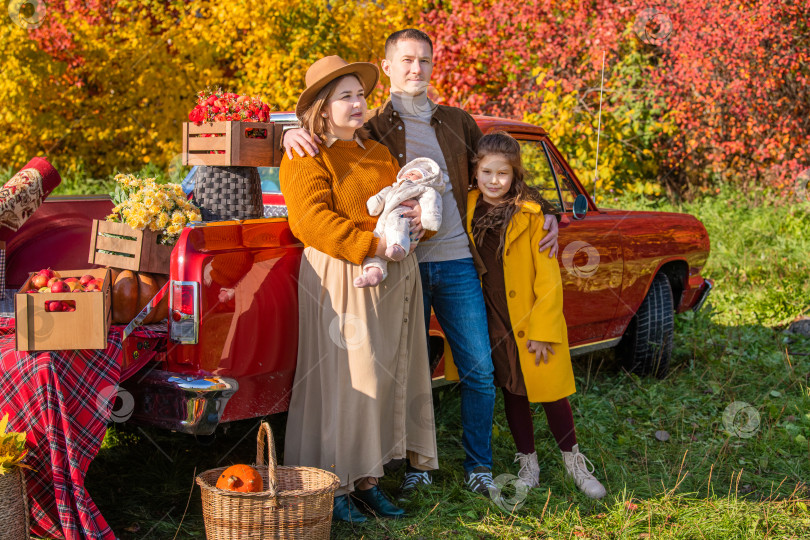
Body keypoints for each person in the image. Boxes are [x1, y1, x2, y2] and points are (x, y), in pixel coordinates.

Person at [283, 29, 559, 495]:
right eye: (407, 60)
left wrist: (543, 210)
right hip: (390, 267)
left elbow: (501, 171)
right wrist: (290, 132)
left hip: (451, 261)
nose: (417, 69)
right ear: (387, 67)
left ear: (433, 66)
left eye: (425, 61)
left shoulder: (456, 122)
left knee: (477, 368)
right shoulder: (372, 126)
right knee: (404, 369)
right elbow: (324, 139)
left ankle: (477, 466)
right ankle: (412, 466)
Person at [279, 55, 438, 523]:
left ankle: (368, 480)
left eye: (361, 95)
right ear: (323, 107)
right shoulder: (306, 153)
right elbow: (310, 220)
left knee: (384, 377)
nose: (357, 103)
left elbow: (404, 204)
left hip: (391, 272)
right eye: (345, 96)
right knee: (350, 381)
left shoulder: (378, 152)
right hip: (343, 273)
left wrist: (414, 227)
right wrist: (373, 244)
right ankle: (335, 483)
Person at [467, 132, 606, 499]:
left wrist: (543, 330)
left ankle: (574, 462)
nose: (494, 181)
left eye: (503, 174)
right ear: (475, 172)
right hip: (493, 316)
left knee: (551, 391)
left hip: (531, 317)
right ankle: (528, 462)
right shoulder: (466, 207)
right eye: (486, 172)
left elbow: (548, 279)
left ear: (515, 177)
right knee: (512, 389)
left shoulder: (531, 216)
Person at [355, 157, 444, 288]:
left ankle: (399, 247)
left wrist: (429, 219)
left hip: (405, 219)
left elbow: (431, 201)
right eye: (407, 172)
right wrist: (374, 205)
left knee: (398, 222)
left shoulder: (422, 189)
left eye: (414, 174)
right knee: (375, 238)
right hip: (383, 223)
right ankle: (374, 272)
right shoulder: (392, 188)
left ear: (423, 179)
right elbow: (379, 200)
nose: (408, 174)